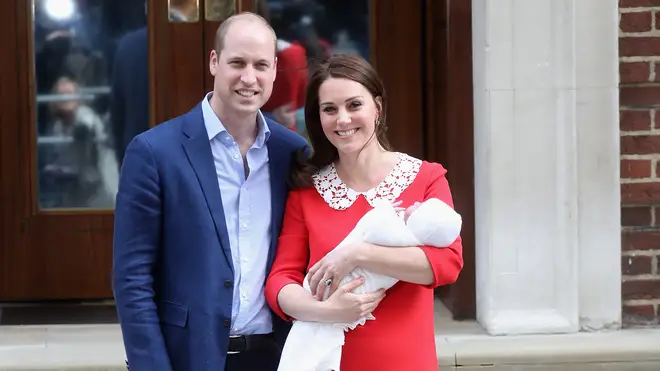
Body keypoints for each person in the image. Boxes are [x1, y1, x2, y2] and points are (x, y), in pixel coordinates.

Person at [112, 12, 308, 371]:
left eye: (261, 65)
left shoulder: (292, 153)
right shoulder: (155, 152)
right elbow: (132, 276)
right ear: (214, 62)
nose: (249, 78)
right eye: (238, 63)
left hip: (278, 356)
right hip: (190, 358)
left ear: (275, 70)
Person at [264, 54, 464, 371]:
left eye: (354, 105)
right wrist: (329, 311)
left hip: (405, 361)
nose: (343, 119)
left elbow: (447, 264)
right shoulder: (307, 190)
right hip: (329, 363)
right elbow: (280, 280)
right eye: (330, 109)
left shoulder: (426, 178)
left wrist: (357, 254)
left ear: (377, 107)